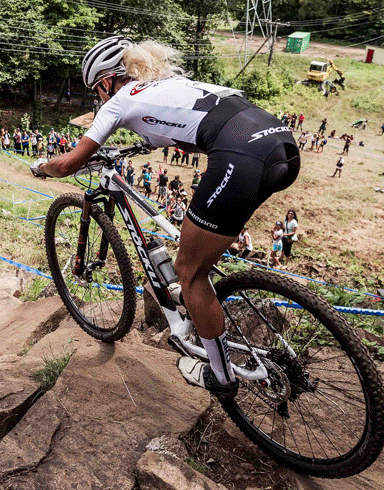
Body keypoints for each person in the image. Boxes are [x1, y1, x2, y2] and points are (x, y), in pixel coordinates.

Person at [29, 36, 299, 400]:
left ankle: (221, 378)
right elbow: (178, 126)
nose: (101, 97)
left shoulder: (122, 99)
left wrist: (43, 167)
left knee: (190, 273)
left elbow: (69, 163)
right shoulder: (168, 85)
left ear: (108, 80)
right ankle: (195, 300)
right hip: (279, 141)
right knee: (197, 250)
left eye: (98, 89)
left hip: (241, 153)